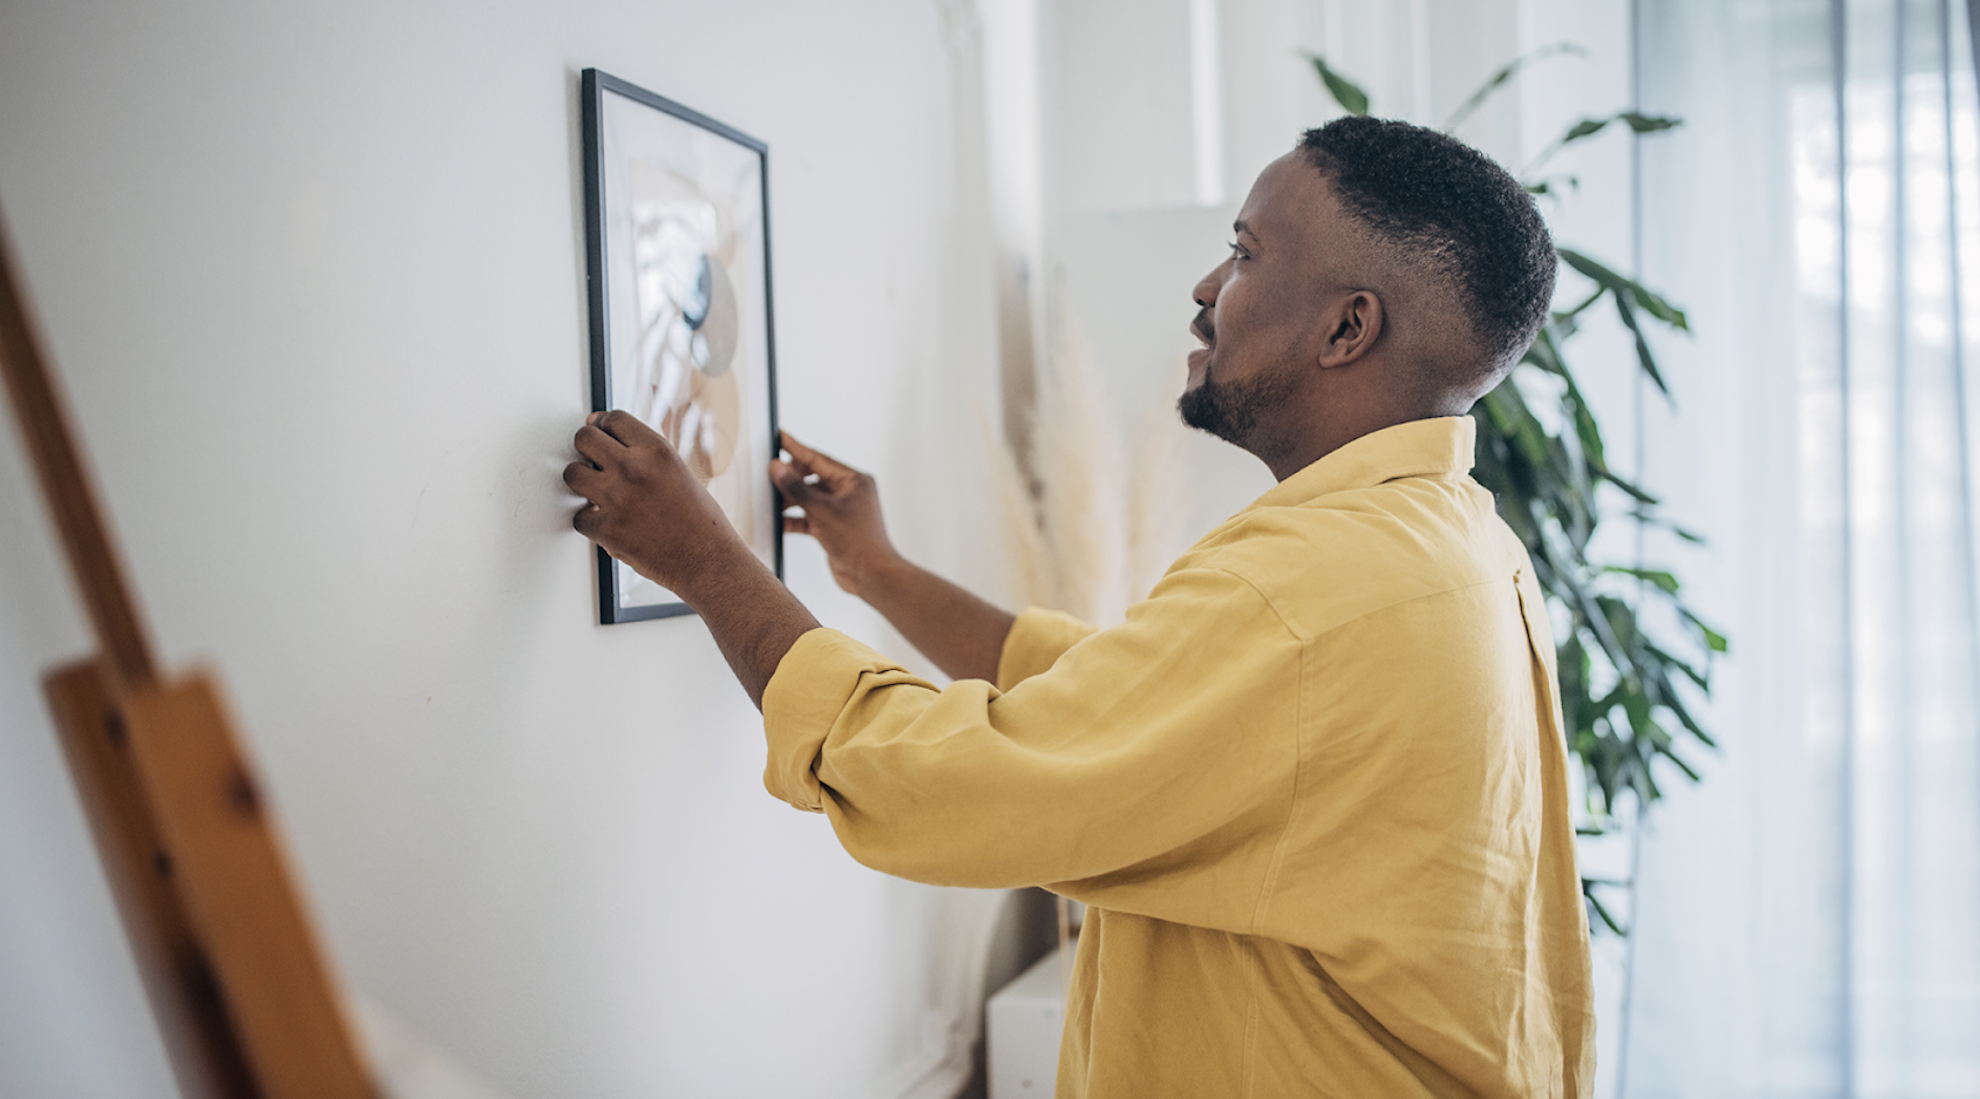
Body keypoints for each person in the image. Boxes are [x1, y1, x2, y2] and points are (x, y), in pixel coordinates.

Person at [563, 116, 1596, 1097]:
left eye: (1242, 254)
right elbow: (1130, 696)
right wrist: (878, 569)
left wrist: (709, 561)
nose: (1204, 288)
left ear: (1346, 326)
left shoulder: (1309, 587)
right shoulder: (1461, 544)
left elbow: (939, 787)